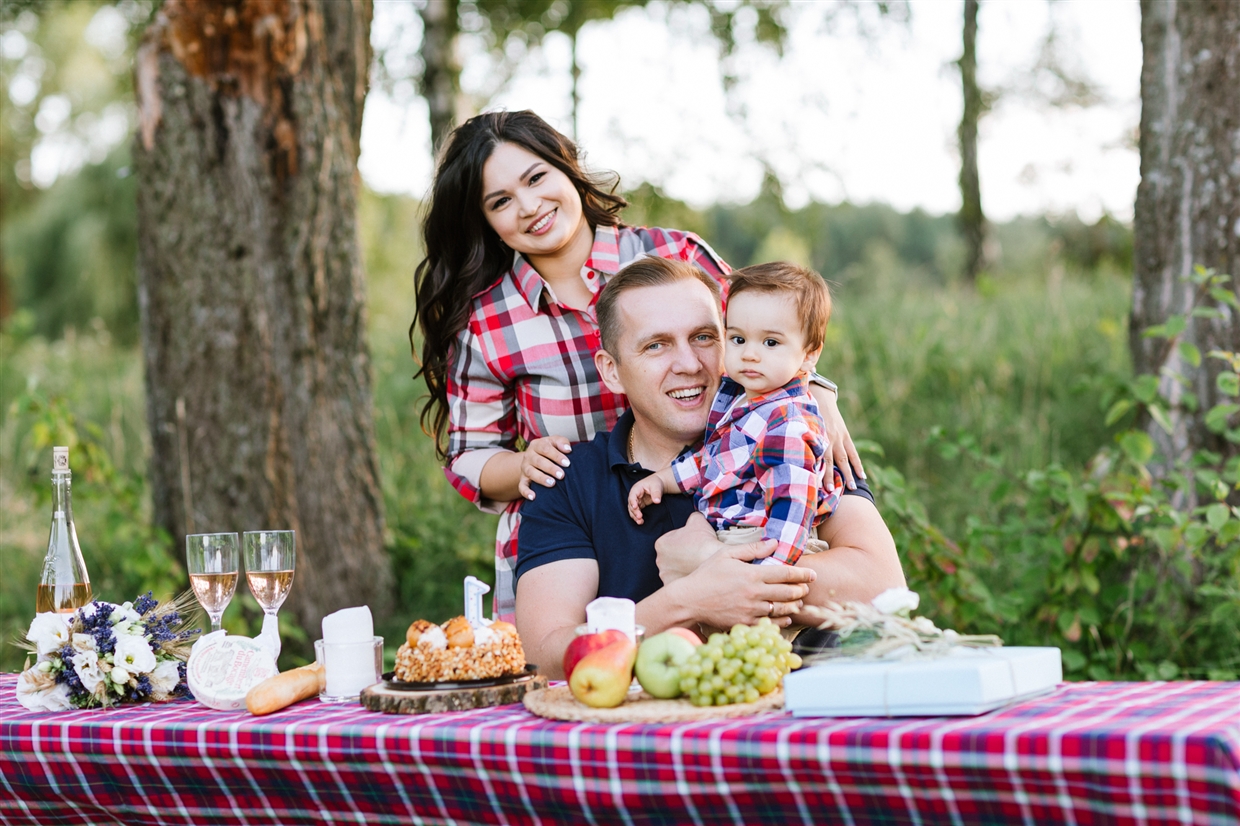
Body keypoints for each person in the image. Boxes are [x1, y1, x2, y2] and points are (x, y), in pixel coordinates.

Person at [413, 110, 866, 620]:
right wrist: (523, 465)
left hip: (706, 500)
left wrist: (815, 390)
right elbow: (468, 456)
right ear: (486, 220)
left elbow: (767, 327)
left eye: (536, 178)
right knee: (581, 668)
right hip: (578, 538)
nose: (529, 206)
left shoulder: (674, 253)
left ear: (567, 168)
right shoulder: (489, 321)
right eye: (501, 201)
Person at [514, 257, 906, 678]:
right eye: (656, 345)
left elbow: (884, 590)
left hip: (792, 723)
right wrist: (689, 598)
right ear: (611, 371)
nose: (689, 363)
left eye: (704, 337)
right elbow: (545, 653)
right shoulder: (568, 480)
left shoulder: (793, 433)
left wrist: (710, 558)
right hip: (640, 731)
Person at [627, 262, 839, 568]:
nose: (750, 354)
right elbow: (716, 460)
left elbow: (792, 507)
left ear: (809, 354)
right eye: (738, 339)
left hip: (761, 543)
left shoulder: (787, 422)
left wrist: (765, 575)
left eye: (771, 342)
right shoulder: (741, 401)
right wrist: (663, 480)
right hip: (734, 536)